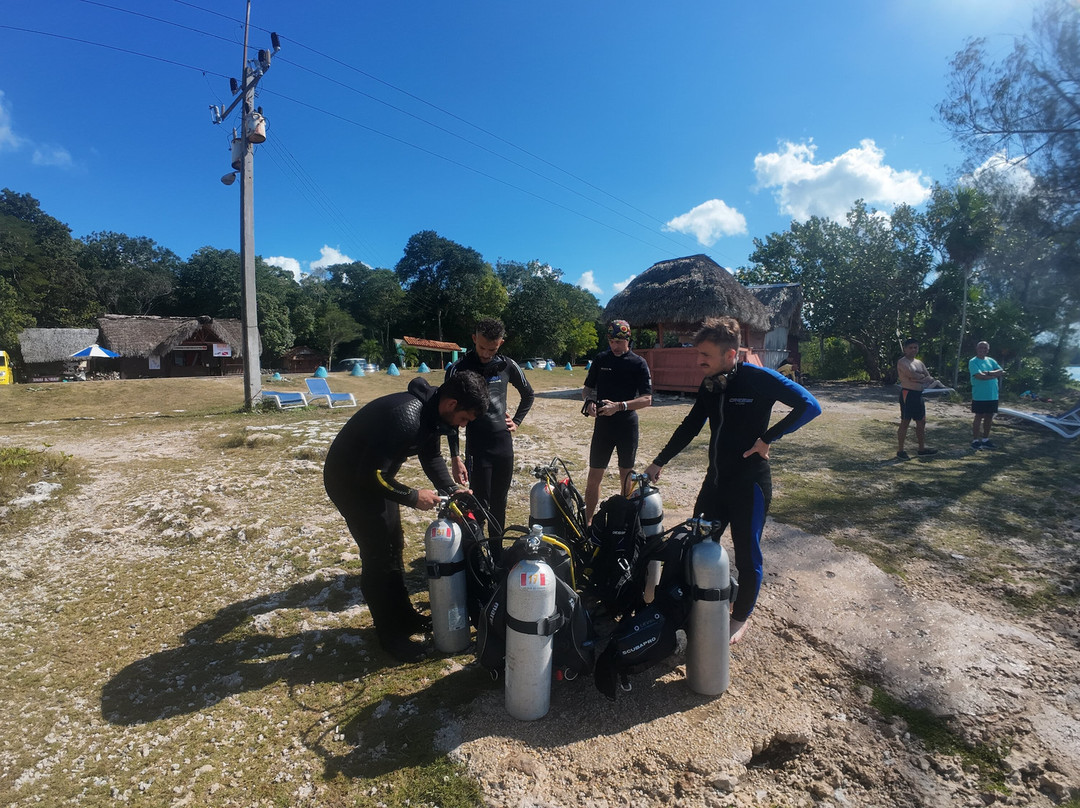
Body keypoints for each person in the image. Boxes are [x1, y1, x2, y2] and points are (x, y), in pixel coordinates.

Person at [643, 317, 820, 644]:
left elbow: (810, 406)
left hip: (748, 485)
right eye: (698, 354)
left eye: (705, 356)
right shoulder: (710, 383)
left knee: (746, 553)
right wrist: (659, 461)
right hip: (715, 483)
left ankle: (740, 617)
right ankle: (692, 601)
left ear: (730, 354)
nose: (698, 362)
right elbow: (690, 426)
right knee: (695, 546)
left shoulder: (759, 379)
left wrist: (768, 438)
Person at [323, 371, 488, 662]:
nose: (462, 427)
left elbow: (432, 456)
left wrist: (452, 490)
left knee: (394, 545)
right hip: (350, 481)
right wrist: (413, 496)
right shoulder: (406, 417)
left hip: (375, 477)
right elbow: (370, 475)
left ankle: (404, 616)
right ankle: (389, 636)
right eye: (464, 420)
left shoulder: (432, 414)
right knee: (378, 555)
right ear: (451, 404)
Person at [444, 318, 534, 560]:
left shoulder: (507, 365)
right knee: (480, 502)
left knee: (499, 502)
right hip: (477, 446)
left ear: (500, 343)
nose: (485, 354)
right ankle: (476, 551)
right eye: (482, 347)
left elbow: (528, 394)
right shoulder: (458, 369)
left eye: (492, 349)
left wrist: (516, 421)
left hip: (503, 444)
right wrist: (455, 457)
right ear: (474, 338)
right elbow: (449, 417)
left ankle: (496, 551)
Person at [582, 319, 653, 524]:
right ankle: (588, 522)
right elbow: (587, 388)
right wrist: (588, 402)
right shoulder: (601, 359)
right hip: (603, 426)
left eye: (619, 342)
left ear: (627, 339)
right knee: (594, 475)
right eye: (611, 341)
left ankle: (625, 523)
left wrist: (619, 406)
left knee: (626, 476)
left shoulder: (638, 363)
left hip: (627, 426)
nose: (615, 346)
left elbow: (647, 399)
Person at [896, 338, 944, 459]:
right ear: (905, 349)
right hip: (908, 394)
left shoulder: (919, 362)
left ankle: (921, 449)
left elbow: (928, 377)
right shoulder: (902, 362)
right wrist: (921, 378)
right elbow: (911, 375)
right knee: (905, 422)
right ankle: (900, 450)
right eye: (910, 347)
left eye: (915, 347)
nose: (913, 350)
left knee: (921, 422)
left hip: (918, 394)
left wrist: (920, 378)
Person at [968, 340, 1005, 450]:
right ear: (977, 349)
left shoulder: (991, 361)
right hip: (980, 395)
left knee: (989, 417)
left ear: (988, 350)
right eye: (980, 348)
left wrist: (988, 373)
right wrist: (994, 375)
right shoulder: (973, 361)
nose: (982, 350)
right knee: (978, 416)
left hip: (992, 395)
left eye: (985, 348)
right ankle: (975, 440)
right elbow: (979, 376)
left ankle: (985, 439)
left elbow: (1002, 372)